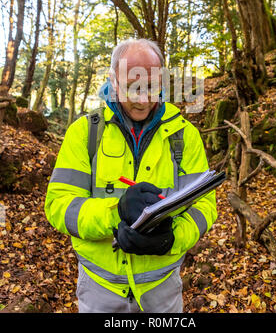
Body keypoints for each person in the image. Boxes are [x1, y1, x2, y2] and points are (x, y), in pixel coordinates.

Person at [44, 38, 217, 313]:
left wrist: (172, 239)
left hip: (162, 292)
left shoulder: (185, 136)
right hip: (100, 290)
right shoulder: (84, 133)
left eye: (152, 87)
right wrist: (117, 211)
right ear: (113, 81)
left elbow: (204, 207)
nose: (143, 99)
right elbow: (58, 206)